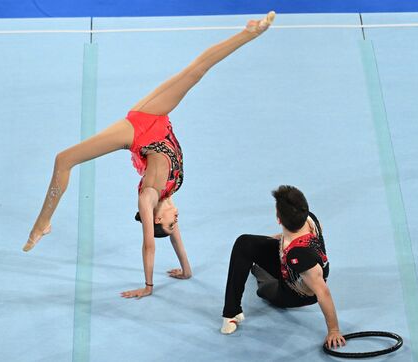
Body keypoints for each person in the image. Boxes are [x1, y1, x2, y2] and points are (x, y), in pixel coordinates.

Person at [22, 12, 277, 299]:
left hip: (140, 129)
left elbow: (149, 245)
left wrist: (148, 286)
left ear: (154, 220)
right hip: (156, 125)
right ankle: (250, 33)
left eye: (170, 221)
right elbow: (174, 237)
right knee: (195, 71)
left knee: (64, 159)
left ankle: (42, 223)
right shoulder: (169, 195)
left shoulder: (149, 199)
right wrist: (187, 270)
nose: (177, 217)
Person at [220, 185, 346, 349]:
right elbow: (291, 237)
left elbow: (323, 292)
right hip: (290, 265)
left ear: (278, 219)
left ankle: (260, 274)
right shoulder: (309, 218)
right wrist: (261, 246)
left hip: (294, 294)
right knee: (245, 244)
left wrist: (334, 330)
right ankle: (231, 312)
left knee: (262, 287)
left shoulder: (299, 256)